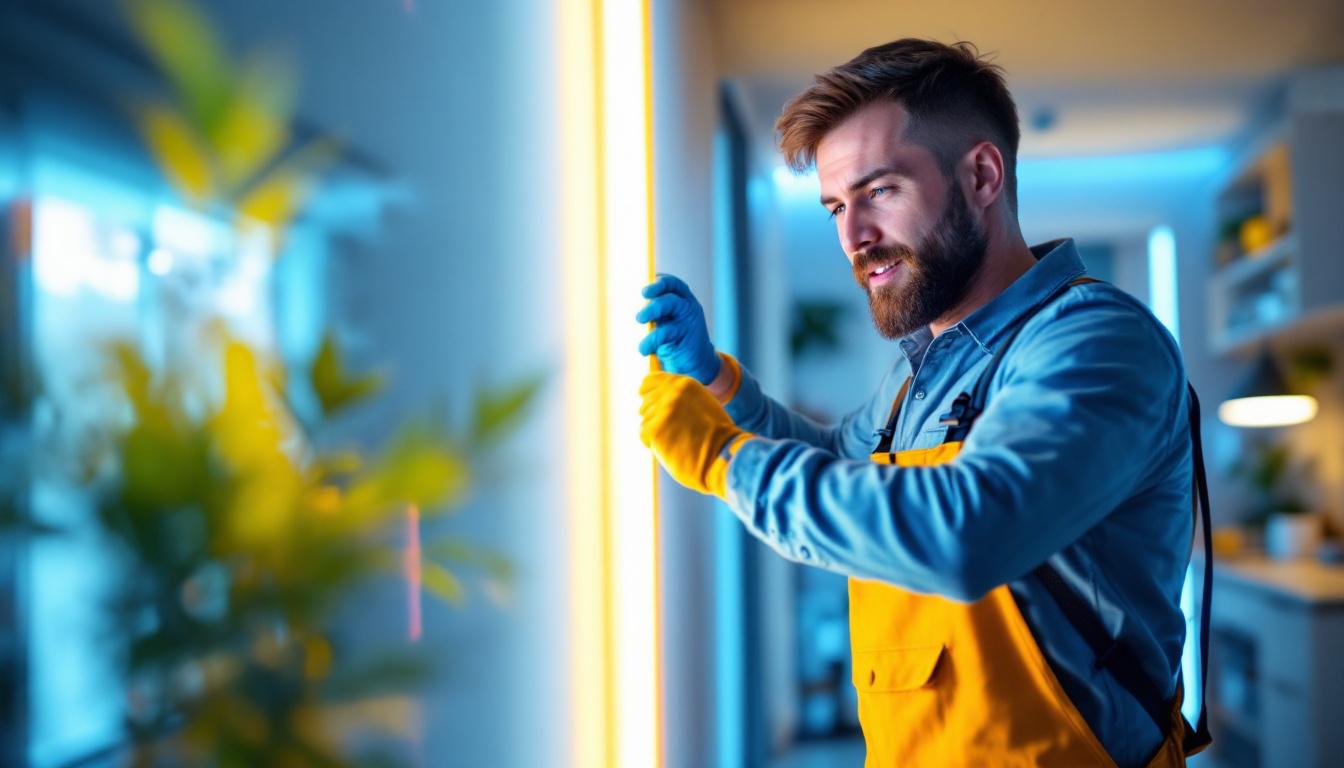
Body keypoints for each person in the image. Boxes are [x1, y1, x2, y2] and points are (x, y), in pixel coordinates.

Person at [636, 39, 1212, 767]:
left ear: (980, 175)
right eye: (836, 207)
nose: (853, 238)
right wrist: (721, 386)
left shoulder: (1093, 344)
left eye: (878, 192)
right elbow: (839, 461)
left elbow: (970, 533)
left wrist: (722, 458)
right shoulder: (921, 373)